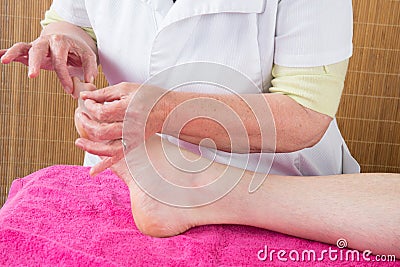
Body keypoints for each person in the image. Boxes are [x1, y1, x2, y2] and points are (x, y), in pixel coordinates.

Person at [1, 0, 399, 257]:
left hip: (272, 170)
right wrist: (63, 41)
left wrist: (164, 112)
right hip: (134, 170)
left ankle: (193, 192)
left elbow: (306, 113)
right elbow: (70, 21)